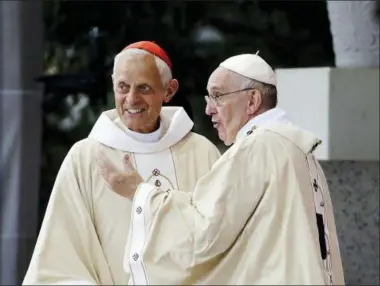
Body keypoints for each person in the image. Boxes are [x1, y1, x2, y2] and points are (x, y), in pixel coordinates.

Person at [98, 53, 345, 285]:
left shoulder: (257, 147)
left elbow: (204, 233)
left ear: (252, 100)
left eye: (218, 95)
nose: (209, 109)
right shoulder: (296, 147)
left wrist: (140, 193)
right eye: (208, 98)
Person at [22, 41, 221, 285]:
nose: (131, 99)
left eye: (144, 88)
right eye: (123, 87)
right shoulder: (87, 157)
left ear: (168, 91)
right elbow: (60, 257)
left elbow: (221, 239)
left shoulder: (201, 153)